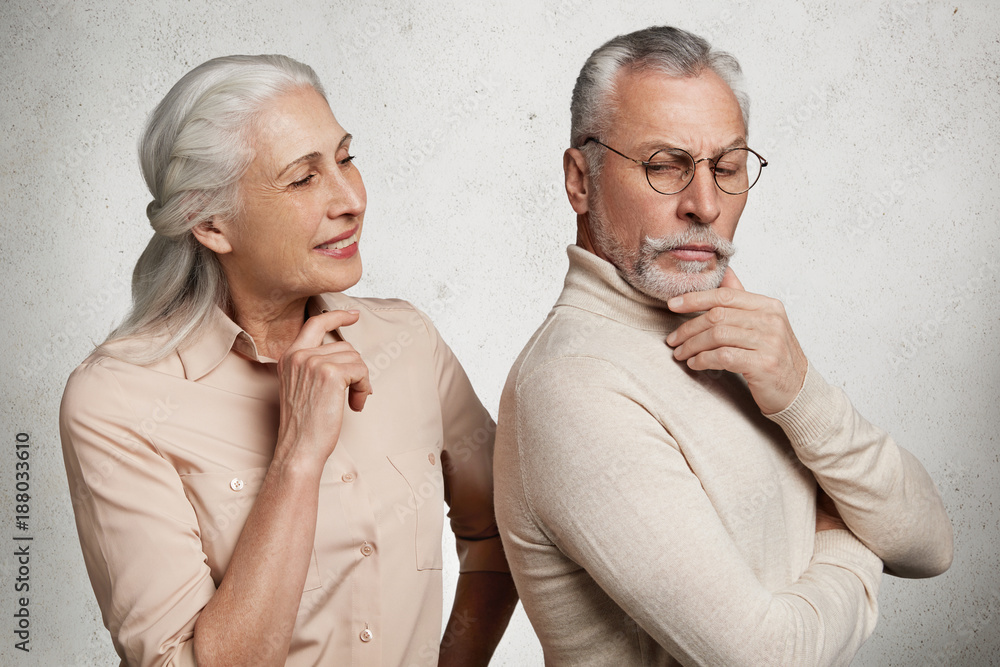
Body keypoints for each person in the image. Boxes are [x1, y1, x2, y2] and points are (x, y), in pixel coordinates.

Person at [494, 26, 953, 666]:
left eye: (728, 168)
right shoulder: (572, 385)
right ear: (580, 180)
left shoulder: (739, 333)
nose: (705, 204)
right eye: (664, 166)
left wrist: (801, 394)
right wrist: (846, 535)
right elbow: (766, 658)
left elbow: (931, 544)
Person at [59, 54, 517, 667]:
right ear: (210, 222)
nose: (350, 199)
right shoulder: (117, 400)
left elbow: (500, 531)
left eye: (346, 159)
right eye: (303, 179)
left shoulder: (408, 341)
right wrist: (298, 454)